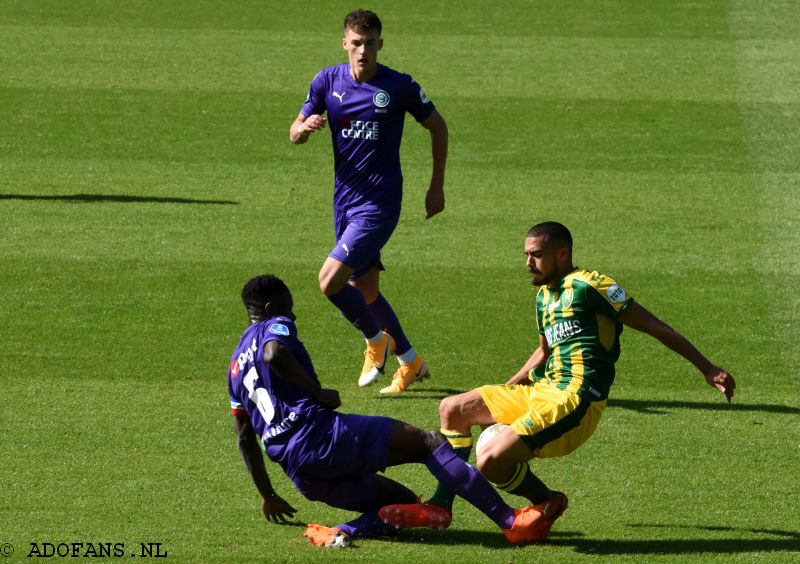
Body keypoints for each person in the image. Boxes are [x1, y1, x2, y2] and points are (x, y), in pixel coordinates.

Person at [380, 221, 736, 541]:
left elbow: (656, 327)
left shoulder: (591, 285)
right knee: (454, 408)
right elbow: (544, 351)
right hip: (542, 390)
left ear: (562, 254)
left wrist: (708, 368)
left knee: (490, 461)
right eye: (526, 255)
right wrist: (511, 384)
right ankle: (441, 507)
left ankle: (546, 501)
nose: (528, 263)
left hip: (577, 398)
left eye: (536, 255)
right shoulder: (543, 298)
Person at [228, 274, 560, 548]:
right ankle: (510, 522)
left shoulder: (234, 368)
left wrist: (268, 494)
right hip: (322, 437)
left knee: (404, 505)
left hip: (300, 472)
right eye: (290, 308)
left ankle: (342, 533)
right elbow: (273, 354)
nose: (294, 314)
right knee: (430, 442)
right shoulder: (275, 326)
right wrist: (318, 393)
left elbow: (244, 438)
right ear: (272, 308)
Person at [289, 9, 448, 394]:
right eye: (356, 43)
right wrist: (305, 129)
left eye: (370, 43)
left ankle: (376, 341)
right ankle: (411, 362)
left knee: (329, 281)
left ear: (380, 43)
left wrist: (436, 186)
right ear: (345, 42)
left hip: (379, 204)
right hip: (344, 201)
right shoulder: (326, 81)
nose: (363, 51)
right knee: (367, 292)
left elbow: (438, 126)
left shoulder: (399, 87)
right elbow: (294, 132)